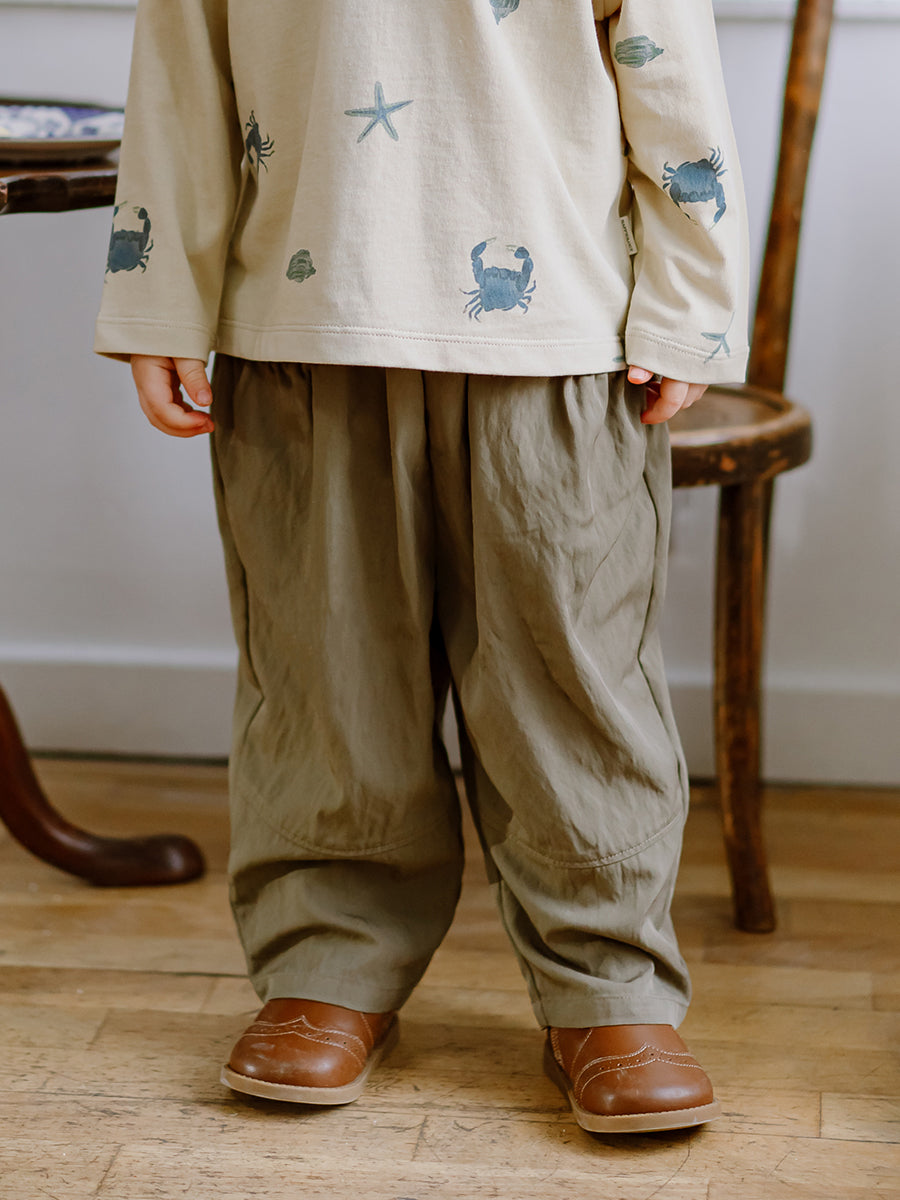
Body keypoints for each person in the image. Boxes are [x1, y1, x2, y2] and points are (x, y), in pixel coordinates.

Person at [95, 0, 749, 1134]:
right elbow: (182, 74)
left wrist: (688, 298)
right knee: (327, 677)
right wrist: (160, 297)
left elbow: (668, 63)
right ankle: (328, 962)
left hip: (557, 338)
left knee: (572, 684)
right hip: (306, 319)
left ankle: (608, 981)